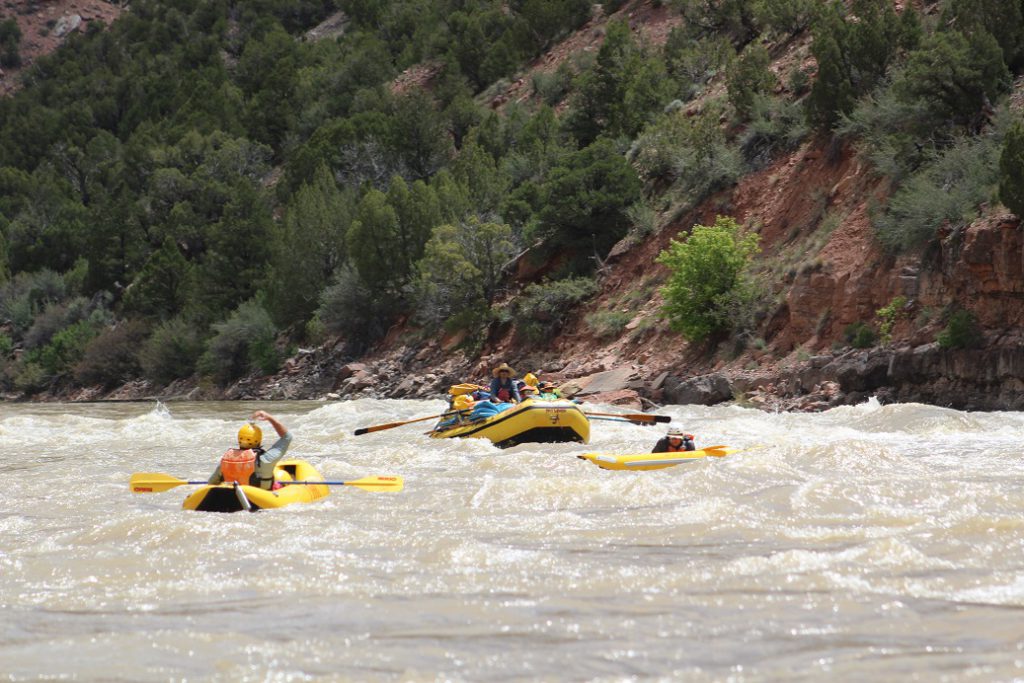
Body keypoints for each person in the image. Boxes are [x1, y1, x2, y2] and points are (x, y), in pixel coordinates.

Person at [209, 410, 293, 490]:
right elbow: (287, 437)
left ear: (239, 439)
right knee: (282, 476)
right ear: (259, 440)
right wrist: (270, 418)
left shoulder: (226, 460)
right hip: (260, 497)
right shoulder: (266, 459)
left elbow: (211, 483)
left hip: (232, 496)